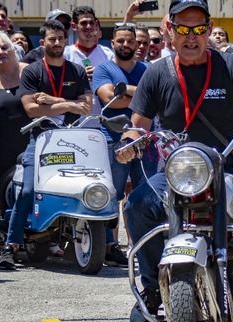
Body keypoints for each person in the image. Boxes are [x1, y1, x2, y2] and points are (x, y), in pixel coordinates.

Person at [117, 0, 233, 322]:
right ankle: (150, 290)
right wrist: (128, 142)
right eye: (184, 29)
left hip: (231, 165)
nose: (192, 36)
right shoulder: (158, 72)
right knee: (136, 205)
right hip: (178, 172)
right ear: (170, 31)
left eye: (199, 29)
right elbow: (138, 123)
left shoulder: (230, 65)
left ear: (208, 28)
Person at [0, 19, 93, 271]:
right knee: (28, 191)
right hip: (41, 138)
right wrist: (69, 103)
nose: (57, 43)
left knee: (86, 186)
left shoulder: (77, 70)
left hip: (73, 138)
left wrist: (52, 100)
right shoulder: (31, 71)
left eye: (61, 39)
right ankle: (11, 245)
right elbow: (31, 109)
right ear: (43, 42)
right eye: (52, 39)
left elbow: (87, 107)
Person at [94, 22, 156, 267]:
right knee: (111, 196)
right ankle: (110, 246)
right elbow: (109, 99)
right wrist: (142, 93)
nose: (127, 45)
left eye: (131, 41)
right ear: (113, 44)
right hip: (113, 142)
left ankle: (144, 247)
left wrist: (127, 92)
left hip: (146, 143)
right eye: (121, 41)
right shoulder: (103, 68)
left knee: (145, 197)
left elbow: (157, 100)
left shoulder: (148, 69)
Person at [0, 32, 30, 250]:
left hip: (31, 142)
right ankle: (8, 237)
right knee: (3, 191)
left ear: (14, 50)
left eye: (5, 48)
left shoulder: (29, 71)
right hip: (0, 145)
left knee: (31, 189)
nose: (1, 52)